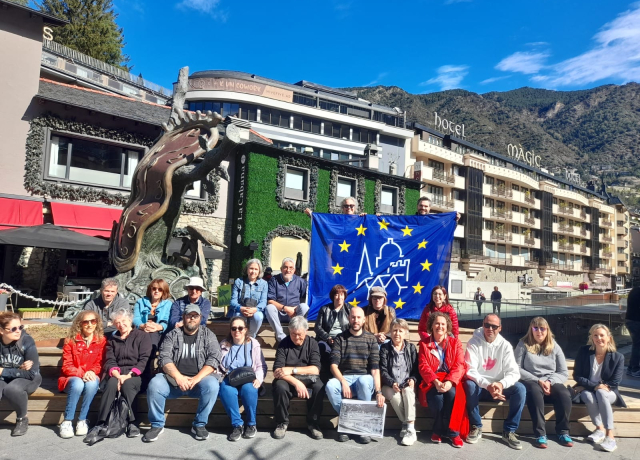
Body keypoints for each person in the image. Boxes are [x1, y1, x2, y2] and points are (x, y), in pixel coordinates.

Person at [144, 304, 221, 442]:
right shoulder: (172, 335)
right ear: (183, 317)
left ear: (200, 318)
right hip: (173, 381)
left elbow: (214, 358)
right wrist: (179, 378)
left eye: (195, 316)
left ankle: (199, 424)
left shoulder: (208, 334)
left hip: (198, 382)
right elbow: (164, 357)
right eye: (189, 315)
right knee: (155, 384)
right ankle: (157, 424)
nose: (192, 318)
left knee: (213, 385)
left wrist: (196, 379)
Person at [464, 314, 525, 450]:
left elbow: (514, 372)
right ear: (483, 325)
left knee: (520, 389)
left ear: (500, 328)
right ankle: (476, 426)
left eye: (494, 326)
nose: (490, 328)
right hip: (480, 387)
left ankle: (509, 430)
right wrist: (487, 385)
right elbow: (470, 370)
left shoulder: (505, 346)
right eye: (487, 325)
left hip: (499, 387)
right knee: (469, 384)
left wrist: (500, 384)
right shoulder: (473, 342)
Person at [325, 306, 385, 444]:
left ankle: (360, 426)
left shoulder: (371, 339)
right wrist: (343, 382)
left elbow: (375, 369)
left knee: (364, 381)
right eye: (353, 317)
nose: (355, 320)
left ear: (364, 320)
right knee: (330, 385)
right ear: (348, 319)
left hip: (363, 378)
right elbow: (333, 365)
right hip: (344, 377)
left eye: (358, 318)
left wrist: (379, 392)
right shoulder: (340, 338)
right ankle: (350, 421)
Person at [514, 317, 573, 448]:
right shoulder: (523, 344)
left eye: (542, 328)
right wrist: (538, 380)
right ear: (531, 329)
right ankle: (540, 434)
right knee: (535, 392)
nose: (539, 331)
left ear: (547, 330)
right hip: (531, 380)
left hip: (551, 380)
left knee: (564, 394)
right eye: (535, 328)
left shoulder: (554, 346)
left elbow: (563, 372)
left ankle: (563, 431)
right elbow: (516, 368)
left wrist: (550, 382)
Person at [98, 308, 152, 438]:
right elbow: (110, 360)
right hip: (117, 373)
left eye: (123, 321)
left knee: (128, 385)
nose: (120, 324)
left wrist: (128, 376)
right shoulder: (113, 339)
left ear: (130, 320)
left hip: (137, 374)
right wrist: (117, 376)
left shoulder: (142, 336)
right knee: (110, 385)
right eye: (117, 322)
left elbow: (144, 359)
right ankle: (102, 422)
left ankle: (133, 422)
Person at [574, 324, 626, 453]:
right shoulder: (584, 351)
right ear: (591, 337)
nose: (599, 338)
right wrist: (594, 386)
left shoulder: (618, 357)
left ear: (608, 337)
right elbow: (577, 375)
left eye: (602, 335)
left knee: (601, 393)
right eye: (595, 335)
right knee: (587, 395)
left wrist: (598, 387)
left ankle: (610, 436)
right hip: (589, 389)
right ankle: (599, 429)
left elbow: (615, 382)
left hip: (609, 392)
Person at [418, 312, 466, 448]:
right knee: (437, 398)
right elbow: (423, 366)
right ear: (431, 326)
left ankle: (453, 432)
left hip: (451, 378)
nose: (440, 326)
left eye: (443, 324)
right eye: (437, 323)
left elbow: (460, 364)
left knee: (452, 394)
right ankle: (438, 429)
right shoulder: (424, 344)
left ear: (448, 326)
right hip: (433, 380)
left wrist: (450, 381)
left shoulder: (455, 342)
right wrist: (435, 381)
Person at [272, 316, 324, 440]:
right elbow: (277, 371)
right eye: (293, 334)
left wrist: (292, 370)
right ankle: (282, 423)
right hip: (288, 380)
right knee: (279, 386)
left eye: (299, 334)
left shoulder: (313, 344)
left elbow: (315, 369)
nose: (296, 337)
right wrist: (296, 382)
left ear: (306, 331)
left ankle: (313, 423)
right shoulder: (283, 344)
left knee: (319, 387)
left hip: (308, 378)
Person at [58, 310, 106, 439]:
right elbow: (67, 366)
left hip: (91, 376)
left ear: (97, 323)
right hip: (71, 378)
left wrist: (92, 372)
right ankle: (67, 421)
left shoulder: (101, 341)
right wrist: (83, 373)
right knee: (78, 384)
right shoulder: (70, 341)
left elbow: (100, 363)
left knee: (92, 384)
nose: (90, 324)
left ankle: (82, 420)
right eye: (86, 321)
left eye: (93, 321)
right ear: (80, 323)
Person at [218, 317, 267, 442]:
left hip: (248, 378)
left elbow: (261, 366)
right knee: (226, 390)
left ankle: (251, 424)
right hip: (229, 377)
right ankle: (237, 425)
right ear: (231, 330)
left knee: (249, 389)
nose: (237, 331)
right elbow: (218, 365)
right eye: (234, 328)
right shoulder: (224, 344)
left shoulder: (253, 344)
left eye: (240, 328)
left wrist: (259, 379)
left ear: (245, 329)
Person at [0, 312, 42, 436]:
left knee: (12, 389)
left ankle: (22, 418)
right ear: (1, 331)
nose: (18, 331)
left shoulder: (26, 341)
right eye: (13, 329)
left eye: (20, 327)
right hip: (7, 377)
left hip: (30, 378)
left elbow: (31, 373)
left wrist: (3, 370)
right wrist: (18, 369)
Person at [380, 319, 419, 446]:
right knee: (396, 397)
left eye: (400, 331)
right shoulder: (385, 348)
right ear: (390, 332)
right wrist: (392, 383)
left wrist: (412, 379)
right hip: (389, 384)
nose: (397, 333)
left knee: (408, 391)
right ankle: (407, 423)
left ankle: (410, 430)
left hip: (406, 383)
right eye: (394, 330)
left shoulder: (411, 348)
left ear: (406, 333)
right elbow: (383, 370)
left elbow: (415, 370)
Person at [133, 279, 172, 386]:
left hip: (158, 333)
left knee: (152, 336)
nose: (156, 291)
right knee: (146, 336)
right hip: (142, 331)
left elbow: (166, 320)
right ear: (150, 289)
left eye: (160, 289)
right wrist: (143, 325)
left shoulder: (167, 304)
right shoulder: (140, 302)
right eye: (154, 288)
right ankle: (145, 372)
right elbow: (135, 318)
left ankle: (145, 371)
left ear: (164, 292)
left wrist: (158, 327)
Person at [265, 258, 309, 342]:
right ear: (281, 269)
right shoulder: (273, 280)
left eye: (291, 268)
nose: (288, 270)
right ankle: (281, 337)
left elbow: (304, 299)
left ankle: (296, 332)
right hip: (279, 313)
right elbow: (270, 300)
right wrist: (285, 308)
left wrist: (293, 309)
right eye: (285, 267)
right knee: (269, 308)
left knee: (304, 307)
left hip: (295, 314)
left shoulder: (301, 281)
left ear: (294, 270)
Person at [229, 259, 268, 338]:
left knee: (259, 316)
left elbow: (263, 301)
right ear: (246, 269)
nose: (253, 271)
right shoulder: (239, 281)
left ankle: (251, 336)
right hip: (240, 310)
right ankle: (240, 337)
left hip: (256, 310)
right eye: (251, 268)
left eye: (256, 269)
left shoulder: (264, 284)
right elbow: (233, 301)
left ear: (259, 271)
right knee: (237, 315)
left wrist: (255, 309)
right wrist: (241, 308)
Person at [625, 286, 640, 377]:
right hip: (636, 322)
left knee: (636, 345)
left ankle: (631, 368)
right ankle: (634, 369)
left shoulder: (634, 290)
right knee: (637, 346)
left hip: (630, 320)